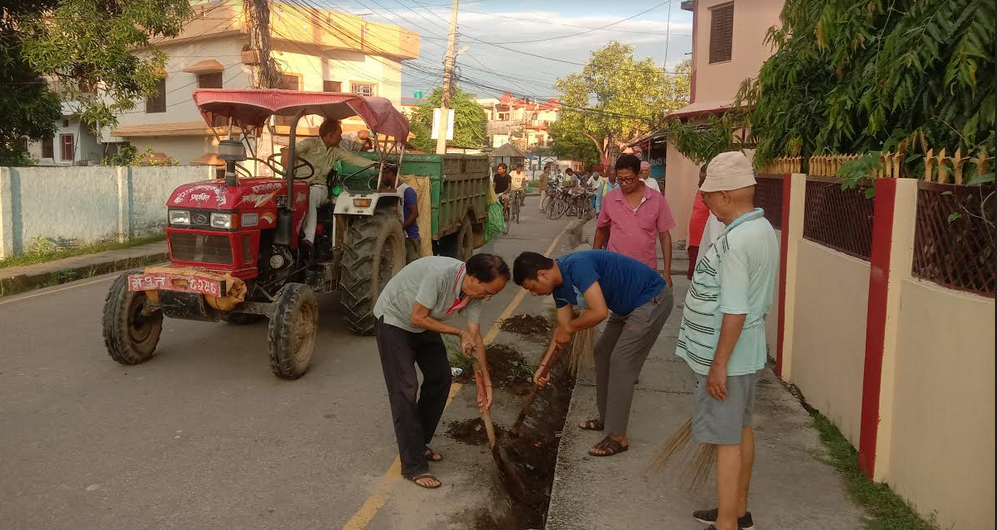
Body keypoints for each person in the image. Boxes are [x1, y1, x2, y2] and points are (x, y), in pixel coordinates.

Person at [675, 152, 778, 530]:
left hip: (729, 357)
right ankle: (737, 509)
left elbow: (734, 309)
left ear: (725, 195)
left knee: (725, 440)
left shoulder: (736, 242)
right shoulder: (761, 229)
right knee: (742, 429)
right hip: (748, 351)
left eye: (708, 196)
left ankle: (725, 523)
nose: (706, 204)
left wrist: (718, 365)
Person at [513, 250, 673, 457]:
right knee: (602, 353)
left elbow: (598, 312)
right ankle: (608, 419)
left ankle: (618, 437)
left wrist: (569, 328)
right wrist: (543, 368)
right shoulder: (559, 289)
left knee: (621, 362)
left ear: (542, 274)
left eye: (531, 288)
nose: (533, 294)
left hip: (651, 299)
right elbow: (562, 331)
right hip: (625, 307)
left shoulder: (577, 266)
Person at [373, 253, 510, 489]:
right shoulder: (439, 275)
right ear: (474, 278)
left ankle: (419, 443)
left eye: (492, 295)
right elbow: (417, 317)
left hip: (424, 322)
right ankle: (413, 466)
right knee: (405, 388)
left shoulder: (474, 294)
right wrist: (458, 333)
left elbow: (475, 337)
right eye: (487, 292)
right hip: (395, 321)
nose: (487, 299)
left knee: (441, 377)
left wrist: (486, 383)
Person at [281, 119, 374, 250]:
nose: (341, 138)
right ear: (330, 135)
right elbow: (292, 150)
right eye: (339, 134)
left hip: (318, 188)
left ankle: (308, 238)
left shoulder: (336, 151)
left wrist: (374, 165)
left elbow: (354, 159)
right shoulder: (310, 143)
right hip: (297, 186)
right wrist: (286, 154)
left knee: (310, 196)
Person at [593, 154, 676, 287]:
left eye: (628, 179)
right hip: (615, 269)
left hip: (645, 270)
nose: (623, 184)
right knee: (618, 306)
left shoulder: (656, 199)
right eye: (620, 180)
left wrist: (667, 272)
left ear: (638, 175)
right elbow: (601, 230)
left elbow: (664, 236)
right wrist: (594, 263)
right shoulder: (610, 199)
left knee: (644, 307)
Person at [385, 166, 421, 264]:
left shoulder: (407, 191)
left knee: (412, 266)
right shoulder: (388, 191)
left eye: (384, 174)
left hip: (409, 237)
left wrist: (401, 228)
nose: (382, 177)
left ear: (391, 174)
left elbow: (415, 213)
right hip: (396, 238)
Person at [687, 165, 711, 279]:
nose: (699, 182)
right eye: (699, 178)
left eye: (703, 178)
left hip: (705, 244)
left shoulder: (713, 195)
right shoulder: (701, 191)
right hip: (694, 242)